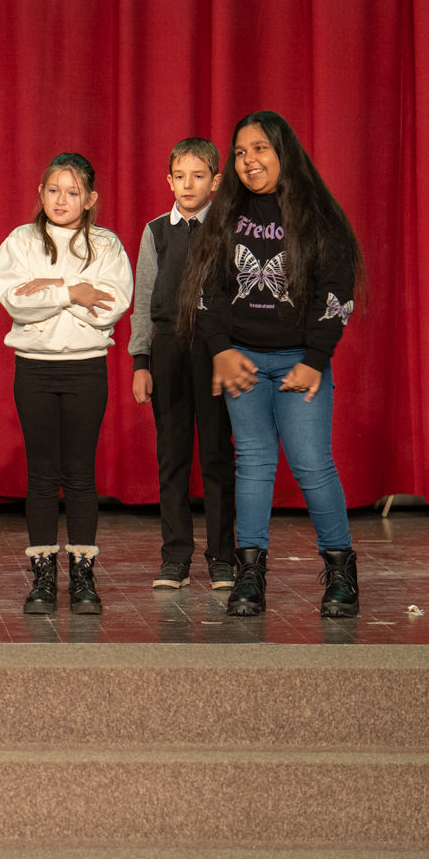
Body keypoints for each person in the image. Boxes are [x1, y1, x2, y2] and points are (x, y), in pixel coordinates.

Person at [179, 110, 364, 618]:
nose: (248, 160)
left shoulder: (317, 216)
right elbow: (207, 288)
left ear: (284, 152)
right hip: (243, 361)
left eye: (259, 148)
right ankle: (250, 575)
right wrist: (221, 348)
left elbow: (335, 294)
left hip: (299, 361)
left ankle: (341, 572)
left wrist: (315, 359)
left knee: (311, 463)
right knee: (254, 464)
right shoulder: (226, 215)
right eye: (240, 152)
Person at [0, 153, 132, 615]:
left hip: (85, 369)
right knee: (41, 475)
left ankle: (83, 576)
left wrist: (48, 288)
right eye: (53, 190)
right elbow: (16, 301)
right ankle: (43, 577)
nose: (61, 200)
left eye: (73, 192)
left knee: (79, 474)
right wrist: (74, 290)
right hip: (34, 368)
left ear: (90, 199)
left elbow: (110, 305)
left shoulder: (107, 245)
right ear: (40, 192)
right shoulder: (20, 241)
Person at [130, 138, 237, 590]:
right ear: (169, 180)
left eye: (198, 176)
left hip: (215, 352)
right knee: (172, 457)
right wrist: (141, 360)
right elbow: (143, 299)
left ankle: (223, 558)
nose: (188, 185)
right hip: (169, 349)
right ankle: (175, 557)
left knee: (216, 456)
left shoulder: (229, 228)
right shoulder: (156, 231)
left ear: (215, 181)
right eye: (180, 176)